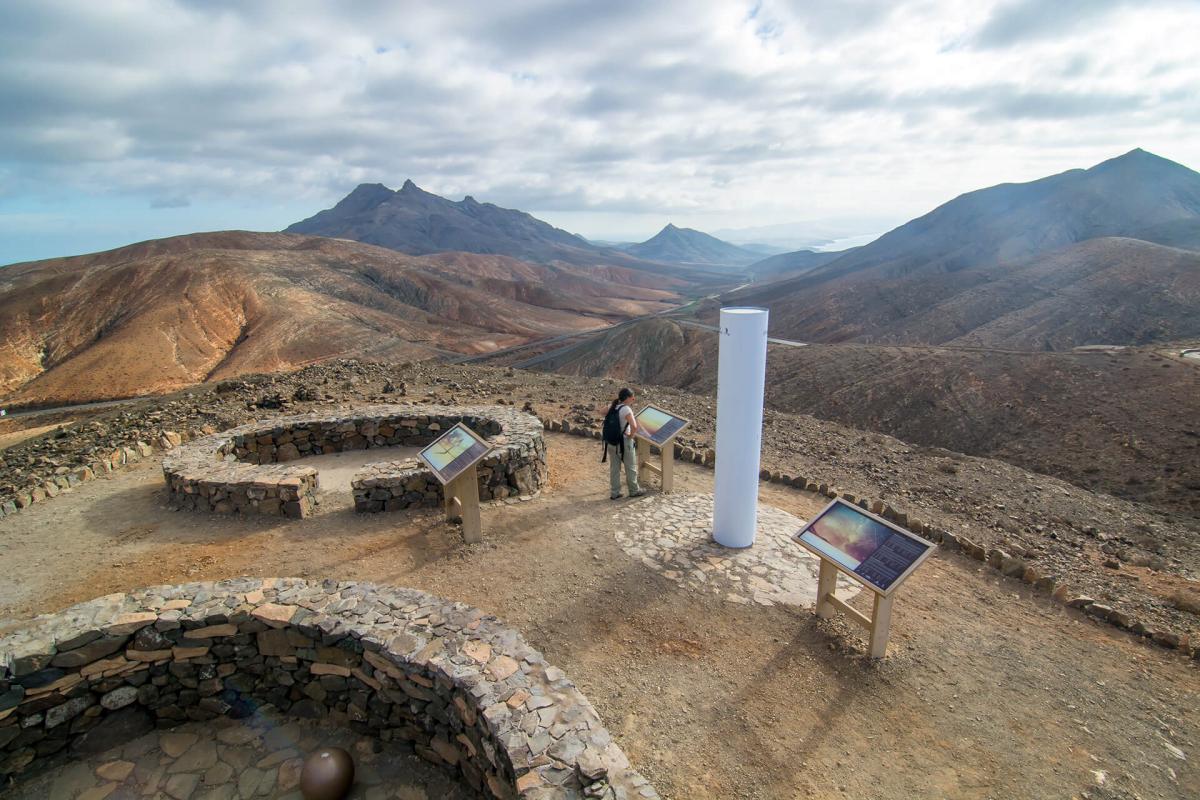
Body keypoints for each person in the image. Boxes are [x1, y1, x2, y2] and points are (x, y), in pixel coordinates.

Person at [602, 388, 644, 500]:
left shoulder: (613, 406)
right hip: (624, 442)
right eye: (632, 397)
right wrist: (630, 436)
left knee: (614, 468)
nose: (634, 399)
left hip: (611, 442)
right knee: (630, 467)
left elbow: (601, 412)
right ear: (627, 398)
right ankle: (634, 491)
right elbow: (634, 427)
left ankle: (615, 492)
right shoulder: (626, 409)